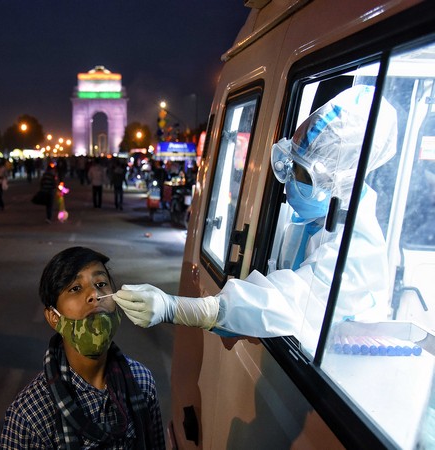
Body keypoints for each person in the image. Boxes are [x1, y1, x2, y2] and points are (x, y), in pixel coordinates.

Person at [113, 85, 398, 345]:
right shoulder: (309, 218)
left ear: (335, 181)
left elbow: (288, 303)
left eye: (300, 173)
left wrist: (176, 307)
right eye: (289, 165)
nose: (288, 181)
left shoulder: (356, 250)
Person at [0, 246, 165, 449]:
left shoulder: (142, 382)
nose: (94, 295)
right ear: (53, 317)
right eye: (76, 288)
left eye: (101, 283)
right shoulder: (29, 417)